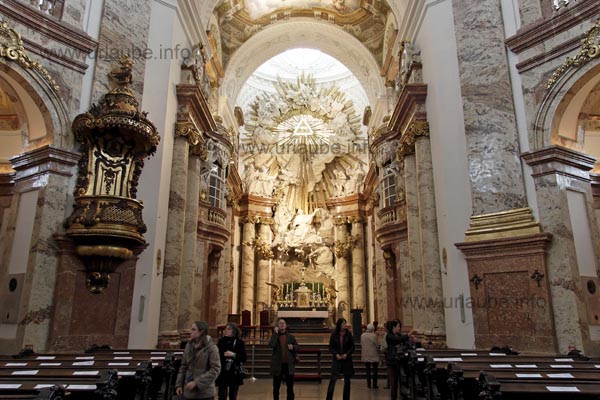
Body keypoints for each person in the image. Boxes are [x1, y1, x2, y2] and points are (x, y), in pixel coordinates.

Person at [176, 321, 221, 400]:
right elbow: (183, 366)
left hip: (204, 393)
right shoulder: (189, 346)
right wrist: (179, 384)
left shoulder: (211, 348)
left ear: (201, 331)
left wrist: (197, 382)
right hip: (188, 391)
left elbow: (215, 369)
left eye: (193, 329)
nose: (191, 332)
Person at [268, 318, 298, 400]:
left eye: (283, 323)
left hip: (288, 365)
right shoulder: (275, 336)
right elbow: (271, 345)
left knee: (290, 387)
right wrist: (275, 333)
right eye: (280, 323)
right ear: (277, 326)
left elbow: (297, 346)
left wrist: (293, 347)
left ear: (286, 325)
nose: (281, 324)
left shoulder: (291, 337)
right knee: (276, 387)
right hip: (278, 365)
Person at [216, 323, 247, 400]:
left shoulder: (239, 342)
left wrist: (233, 355)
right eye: (225, 329)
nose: (226, 330)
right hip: (223, 370)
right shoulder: (221, 341)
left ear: (233, 331)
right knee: (222, 395)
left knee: (233, 395)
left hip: (234, 371)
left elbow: (243, 357)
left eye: (229, 329)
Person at [326, 318, 355, 400]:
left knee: (347, 381)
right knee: (333, 380)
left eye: (345, 323)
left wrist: (347, 354)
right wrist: (336, 354)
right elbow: (331, 347)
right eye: (343, 324)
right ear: (339, 325)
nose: (344, 325)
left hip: (346, 360)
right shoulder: (334, 334)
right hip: (337, 360)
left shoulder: (349, 335)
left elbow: (352, 347)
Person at [385, 319, 409, 400]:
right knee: (393, 382)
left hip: (400, 361)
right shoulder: (389, 336)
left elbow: (403, 341)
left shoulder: (398, 335)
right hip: (392, 361)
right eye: (398, 326)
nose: (399, 328)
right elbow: (396, 341)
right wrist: (408, 335)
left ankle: (403, 395)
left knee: (402, 380)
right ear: (393, 327)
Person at [361, 323, 379, 389]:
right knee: (375, 371)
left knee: (367, 370)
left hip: (365, 354)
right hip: (373, 354)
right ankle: (374, 384)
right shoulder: (374, 336)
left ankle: (368, 384)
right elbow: (377, 345)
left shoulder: (362, 335)